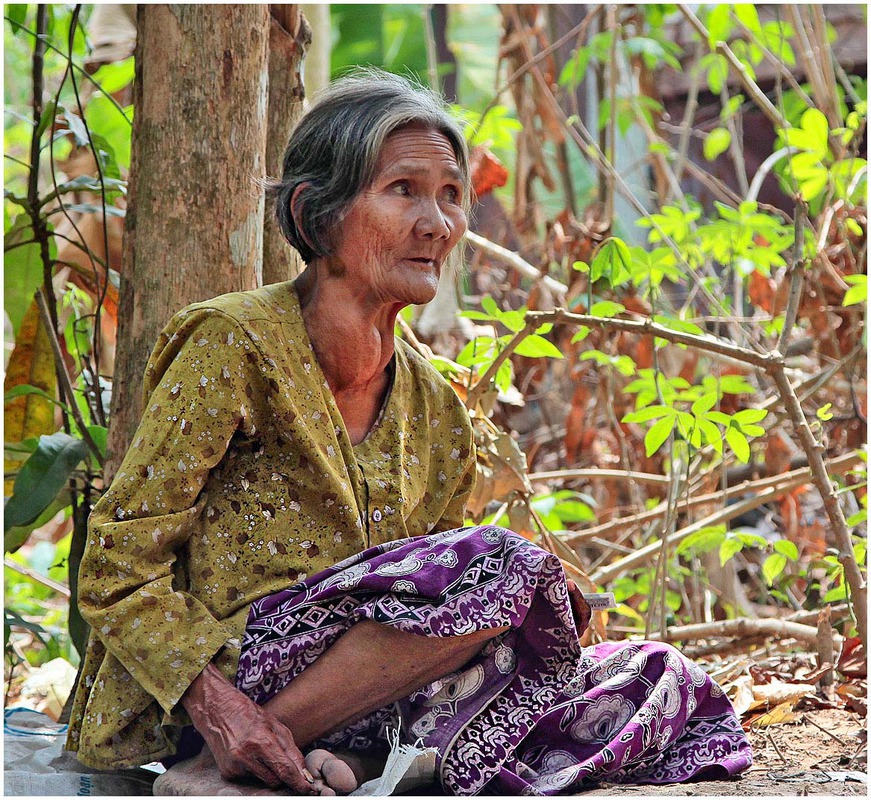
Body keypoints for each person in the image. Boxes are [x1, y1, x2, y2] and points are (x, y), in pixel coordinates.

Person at [66, 69, 752, 796]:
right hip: (224, 679)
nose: (438, 223)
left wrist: (528, 617)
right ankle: (241, 759)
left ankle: (357, 761)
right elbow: (116, 566)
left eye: (450, 196)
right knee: (505, 566)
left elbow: (426, 608)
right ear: (316, 211)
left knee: (656, 677)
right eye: (403, 191)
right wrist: (226, 713)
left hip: (367, 693)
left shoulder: (438, 408)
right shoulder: (231, 344)